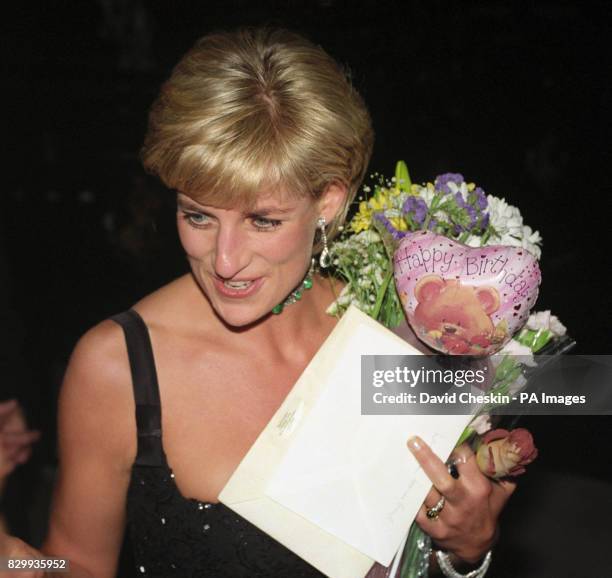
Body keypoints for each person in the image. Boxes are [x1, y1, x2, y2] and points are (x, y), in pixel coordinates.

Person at [1, 28, 515, 577]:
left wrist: (467, 551)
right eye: (198, 215)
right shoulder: (118, 366)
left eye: (262, 221)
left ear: (329, 201)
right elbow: (73, 562)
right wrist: (23, 562)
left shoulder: (396, 331)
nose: (224, 259)